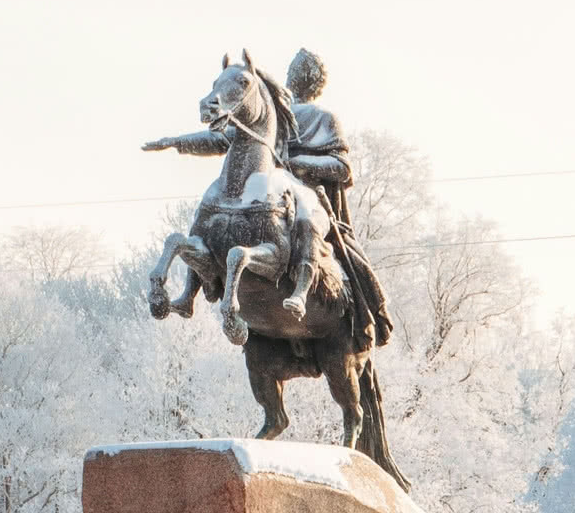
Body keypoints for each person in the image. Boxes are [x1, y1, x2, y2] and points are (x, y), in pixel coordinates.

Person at [142, 49, 393, 349]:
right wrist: (176, 142)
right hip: (267, 183)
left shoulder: (323, 118)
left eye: (301, 72)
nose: (295, 76)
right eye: (293, 71)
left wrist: (298, 164)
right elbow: (222, 139)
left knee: (310, 221)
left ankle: (303, 290)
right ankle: (191, 291)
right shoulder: (269, 108)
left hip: (305, 191)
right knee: (209, 212)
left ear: (314, 82)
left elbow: (342, 167)